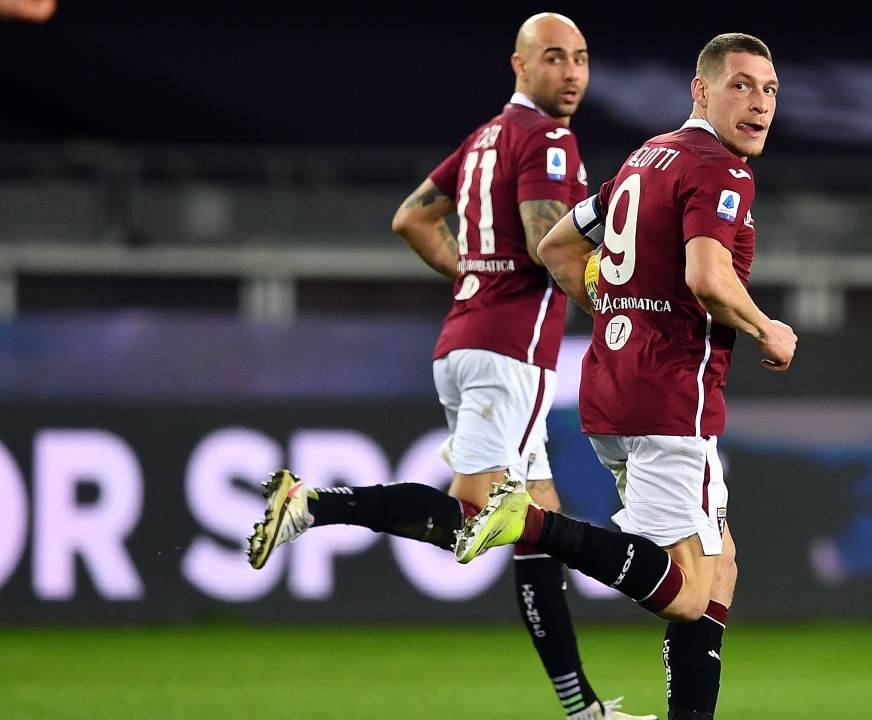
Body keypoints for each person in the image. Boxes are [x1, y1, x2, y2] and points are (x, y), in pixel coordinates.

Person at [245, 13, 653, 720]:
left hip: (465, 341)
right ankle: (311, 506)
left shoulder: (485, 138)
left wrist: (474, 279)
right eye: (555, 58)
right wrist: (624, 305)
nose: (573, 73)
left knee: (537, 522)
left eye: (582, 59)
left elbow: (411, 218)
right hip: (508, 354)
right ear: (520, 65)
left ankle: (582, 709)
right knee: (473, 517)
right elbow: (544, 243)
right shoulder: (549, 139)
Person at [455, 33, 796, 720]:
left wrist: (615, 307)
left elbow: (557, 246)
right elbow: (708, 277)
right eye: (741, 85)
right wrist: (768, 328)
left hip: (612, 385)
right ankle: (532, 524)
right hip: (673, 394)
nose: (759, 104)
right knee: (689, 594)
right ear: (701, 90)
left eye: (770, 90)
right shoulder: (722, 171)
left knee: (719, 564)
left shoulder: (647, 158)